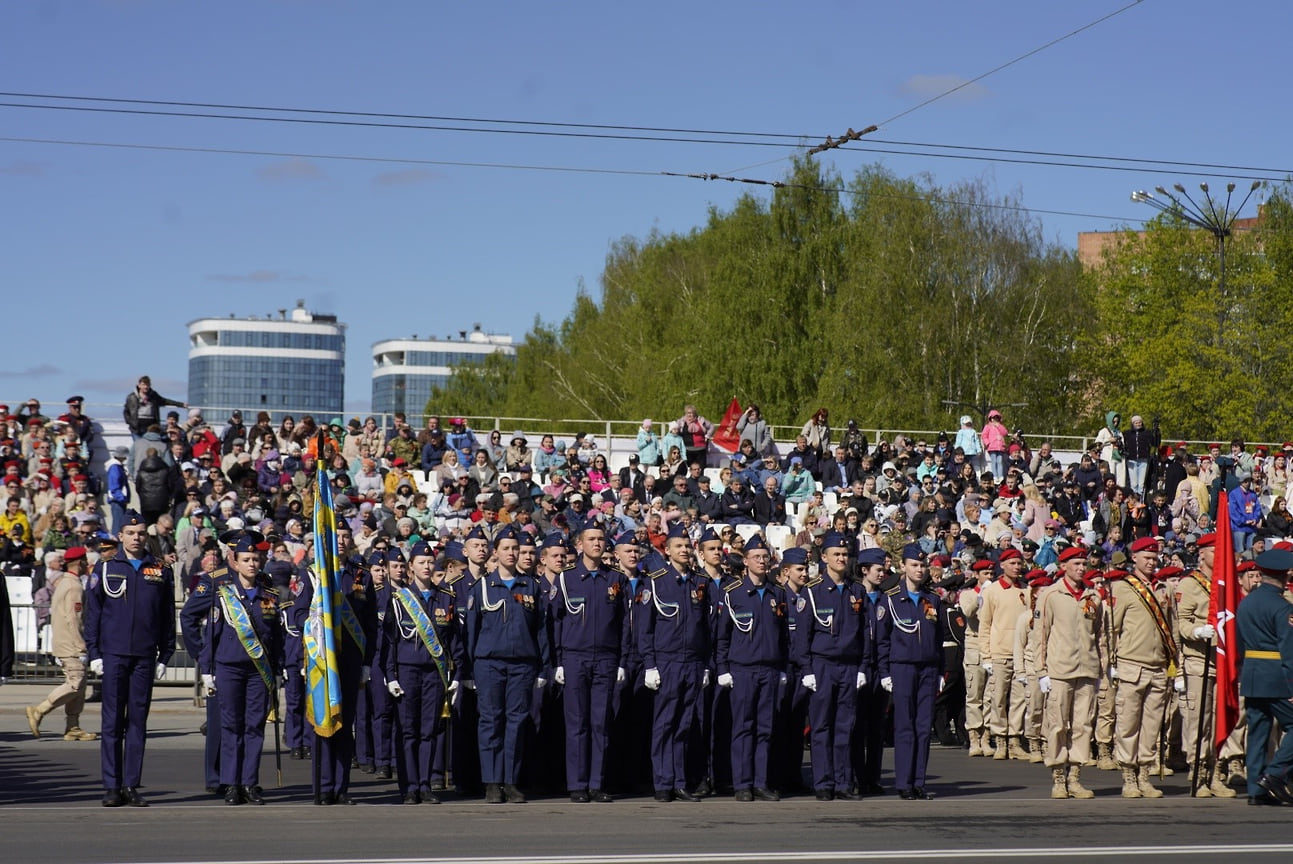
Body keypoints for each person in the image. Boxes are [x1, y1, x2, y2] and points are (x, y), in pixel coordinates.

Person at [84, 510, 177, 807]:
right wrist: (94, 653)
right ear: (121, 536)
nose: (136, 538)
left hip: (145, 656)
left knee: (138, 722)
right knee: (111, 721)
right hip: (113, 654)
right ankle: (111, 785)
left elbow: (165, 616)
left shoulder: (160, 569)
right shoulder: (106, 566)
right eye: (130, 533)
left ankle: (130, 784)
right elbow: (93, 613)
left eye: (140, 534)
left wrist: (166, 654)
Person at [464, 524, 553, 804]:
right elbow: (471, 631)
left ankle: (511, 781)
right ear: (496, 552)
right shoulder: (482, 587)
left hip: (523, 664)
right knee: (491, 721)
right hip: (489, 663)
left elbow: (542, 630)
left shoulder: (532, 587)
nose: (512, 553)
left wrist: (543, 666)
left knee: (516, 722)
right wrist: (469, 669)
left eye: (516, 549)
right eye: (506, 548)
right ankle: (491, 782)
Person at [199, 530, 283, 805]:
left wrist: (279, 669)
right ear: (235, 561)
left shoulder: (269, 593)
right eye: (246, 559)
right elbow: (212, 633)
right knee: (231, 726)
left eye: (256, 559)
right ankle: (231, 783)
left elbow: (276, 636)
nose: (252, 564)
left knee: (254, 727)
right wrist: (207, 670)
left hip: (259, 671)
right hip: (229, 667)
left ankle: (250, 782)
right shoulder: (223, 594)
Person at [551, 523, 630, 802]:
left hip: (606, 658)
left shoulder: (616, 579)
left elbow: (624, 624)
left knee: (600, 723)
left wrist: (621, 661)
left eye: (600, 539)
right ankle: (577, 784)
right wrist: (558, 661)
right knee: (577, 724)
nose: (597, 543)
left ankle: (596, 784)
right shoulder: (565, 579)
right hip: (575, 657)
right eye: (591, 539)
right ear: (579, 545)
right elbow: (556, 622)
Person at [382, 540, 465, 804]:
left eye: (430, 563)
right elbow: (389, 643)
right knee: (408, 731)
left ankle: (426, 784)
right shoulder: (398, 601)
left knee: (428, 730)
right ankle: (409, 786)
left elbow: (454, 641)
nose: (427, 566)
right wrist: (391, 675)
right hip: (407, 671)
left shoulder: (446, 598)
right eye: (422, 563)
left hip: (434, 673)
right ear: (411, 567)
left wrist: (457, 674)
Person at [637, 524, 709, 802]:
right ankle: (663, 782)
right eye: (679, 546)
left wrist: (704, 664)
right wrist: (650, 665)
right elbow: (645, 630)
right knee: (664, 724)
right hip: (666, 662)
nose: (685, 550)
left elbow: (705, 630)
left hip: (691, 662)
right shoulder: (655, 582)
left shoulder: (698, 583)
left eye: (687, 546)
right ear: (667, 550)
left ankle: (679, 781)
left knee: (684, 725)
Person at [715, 533, 787, 802]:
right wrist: (723, 668)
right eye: (756, 557)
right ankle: (742, 783)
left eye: (765, 557)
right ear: (745, 561)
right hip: (742, 669)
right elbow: (721, 636)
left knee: (765, 729)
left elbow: (783, 636)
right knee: (743, 728)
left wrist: (781, 668)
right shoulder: (732, 594)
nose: (761, 561)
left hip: (768, 669)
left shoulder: (776, 593)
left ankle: (760, 782)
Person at [799, 532, 868, 800]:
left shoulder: (857, 590)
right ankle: (823, 783)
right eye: (835, 554)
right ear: (824, 557)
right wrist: (807, 670)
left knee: (845, 727)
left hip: (849, 665)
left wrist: (862, 666)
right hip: (822, 665)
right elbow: (803, 636)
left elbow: (865, 634)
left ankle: (843, 782)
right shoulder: (812, 591)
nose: (841, 558)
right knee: (821, 727)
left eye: (844, 554)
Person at [877, 543, 945, 800]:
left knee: (923, 727)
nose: (919, 570)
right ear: (903, 567)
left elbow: (938, 640)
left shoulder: (933, 599)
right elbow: (882, 640)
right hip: (902, 668)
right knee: (905, 726)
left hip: (927, 668)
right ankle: (904, 783)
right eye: (914, 565)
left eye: (922, 565)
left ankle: (919, 782)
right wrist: (884, 672)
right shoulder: (891, 598)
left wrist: (939, 672)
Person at [1108, 536, 1174, 798]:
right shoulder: (1123, 588)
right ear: (1134, 557)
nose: (1151, 562)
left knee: (1151, 725)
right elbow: (1112, 628)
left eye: (1155, 558)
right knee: (1128, 723)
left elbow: (1173, 629)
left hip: (1158, 666)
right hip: (1131, 664)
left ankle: (1144, 774)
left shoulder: (1163, 589)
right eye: (1146, 557)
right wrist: (1110, 663)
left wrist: (1174, 666)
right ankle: (1128, 776)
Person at [1036, 546, 1103, 799]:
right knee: (1057, 725)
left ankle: (1075, 776)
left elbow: (1099, 635)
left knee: (1083, 725)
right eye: (1075, 563)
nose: (1081, 568)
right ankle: (1058, 777)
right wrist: (1041, 671)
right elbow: (1040, 634)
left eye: (1084, 564)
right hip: (1059, 669)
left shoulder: (1092, 596)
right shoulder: (1051, 594)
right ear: (1063, 566)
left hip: (1086, 668)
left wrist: (1100, 669)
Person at [1174, 532, 1238, 797]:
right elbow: (1182, 622)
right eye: (1215, 551)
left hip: (1221, 661)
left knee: (1218, 719)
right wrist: (1198, 631)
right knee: (1199, 721)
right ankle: (1198, 773)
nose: (1220, 556)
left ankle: (1215, 774)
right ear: (1202, 554)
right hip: (1199, 660)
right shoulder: (1189, 584)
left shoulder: (1225, 583)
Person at [1235, 547, 1293, 806]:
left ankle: (1255, 790)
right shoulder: (1282, 608)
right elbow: (1289, 651)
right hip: (1276, 678)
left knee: (1257, 733)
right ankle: (1273, 775)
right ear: (1284, 577)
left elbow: (1239, 644)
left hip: (1252, 675)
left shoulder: (1246, 603)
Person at [25, 546, 98, 741]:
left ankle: (73, 726)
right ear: (81, 562)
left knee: (80, 687)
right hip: (70, 643)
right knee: (74, 684)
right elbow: (73, 619)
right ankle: (39, 710)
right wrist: (80, 645)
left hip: (64, 640)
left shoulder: (65, 583)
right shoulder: (73, 586)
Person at [979, 548, 1029, 760]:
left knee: (1019, 700)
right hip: (1000, 652)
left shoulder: (1027, 589)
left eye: (1019, 563)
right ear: (1003, 565)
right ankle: (999, 739)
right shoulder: (992, 592)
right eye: (1013, 563)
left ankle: (1014, 740)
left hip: (1021, 654)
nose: (1017, 567)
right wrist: (987, 656)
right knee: (998, 698)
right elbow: (985, 625)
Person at [122, 375, 186, 440]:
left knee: (151, 444)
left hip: (151, 425)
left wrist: (180, 404)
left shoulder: (154, 396)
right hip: (136, 427)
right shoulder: (131, 397)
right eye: (143, 384)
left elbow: (165, 401)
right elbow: (126, 411)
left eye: (147, 385)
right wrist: (130, 422)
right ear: (139, 385)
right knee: (139, 446)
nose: (146, 387)